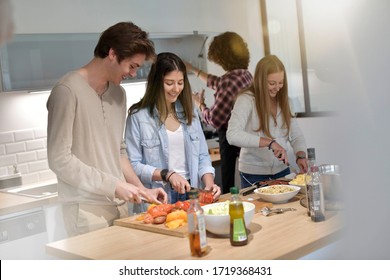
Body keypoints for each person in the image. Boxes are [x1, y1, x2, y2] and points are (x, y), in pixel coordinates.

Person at [47, 22, 167, 237]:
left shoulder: (118, 95)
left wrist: (142, 189)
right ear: (112, 53)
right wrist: (113, 185)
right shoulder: (66, 91)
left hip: (120, 207)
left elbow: (118, 150)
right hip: (85, 210)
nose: (132, 73)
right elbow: (59, 159)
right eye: (131, 66)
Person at [125, 52, 221, 211]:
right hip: (160, 197)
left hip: (191, 193)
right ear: (157, 82)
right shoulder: (138, 116)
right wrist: (167, 174)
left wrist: (209, 184)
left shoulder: (190, 112)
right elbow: (133, 165)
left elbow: (203, 156)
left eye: (180, 82)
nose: (176, 89)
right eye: (169, 83)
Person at [185, 32, 253, 194]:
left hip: (231, 140)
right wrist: (194, 69)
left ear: (222, 58)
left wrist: (200, 105)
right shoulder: (245, 75)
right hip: (247, 138)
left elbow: (215, 119)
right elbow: (217, 82)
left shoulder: (228, 81)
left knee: (229, 187)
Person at [226, 54, 308, 188]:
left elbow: (296, 135)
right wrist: (269, 143)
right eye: (272, 83)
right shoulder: (246, 100)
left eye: (281, 82)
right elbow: (232, 135)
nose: (277, 87)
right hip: (253, 174)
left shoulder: (285, 102)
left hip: (283, 171)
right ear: (260, 80)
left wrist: (300, 155)